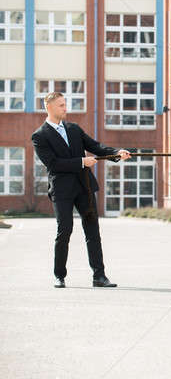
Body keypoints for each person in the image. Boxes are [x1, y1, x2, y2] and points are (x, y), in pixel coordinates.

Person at [32, 92, 131, 288]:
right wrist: (81, 162)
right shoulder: (40, 136)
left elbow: (95, 146)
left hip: (84, 187)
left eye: (65, 104)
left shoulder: (74, 129)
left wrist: (116, 153)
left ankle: (99, 276)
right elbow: (53, 164)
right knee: (64, 230)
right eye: (61, 105)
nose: (65, 108)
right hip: (62, 191)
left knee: (93, 231)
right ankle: (59, 275)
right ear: (49, 107)